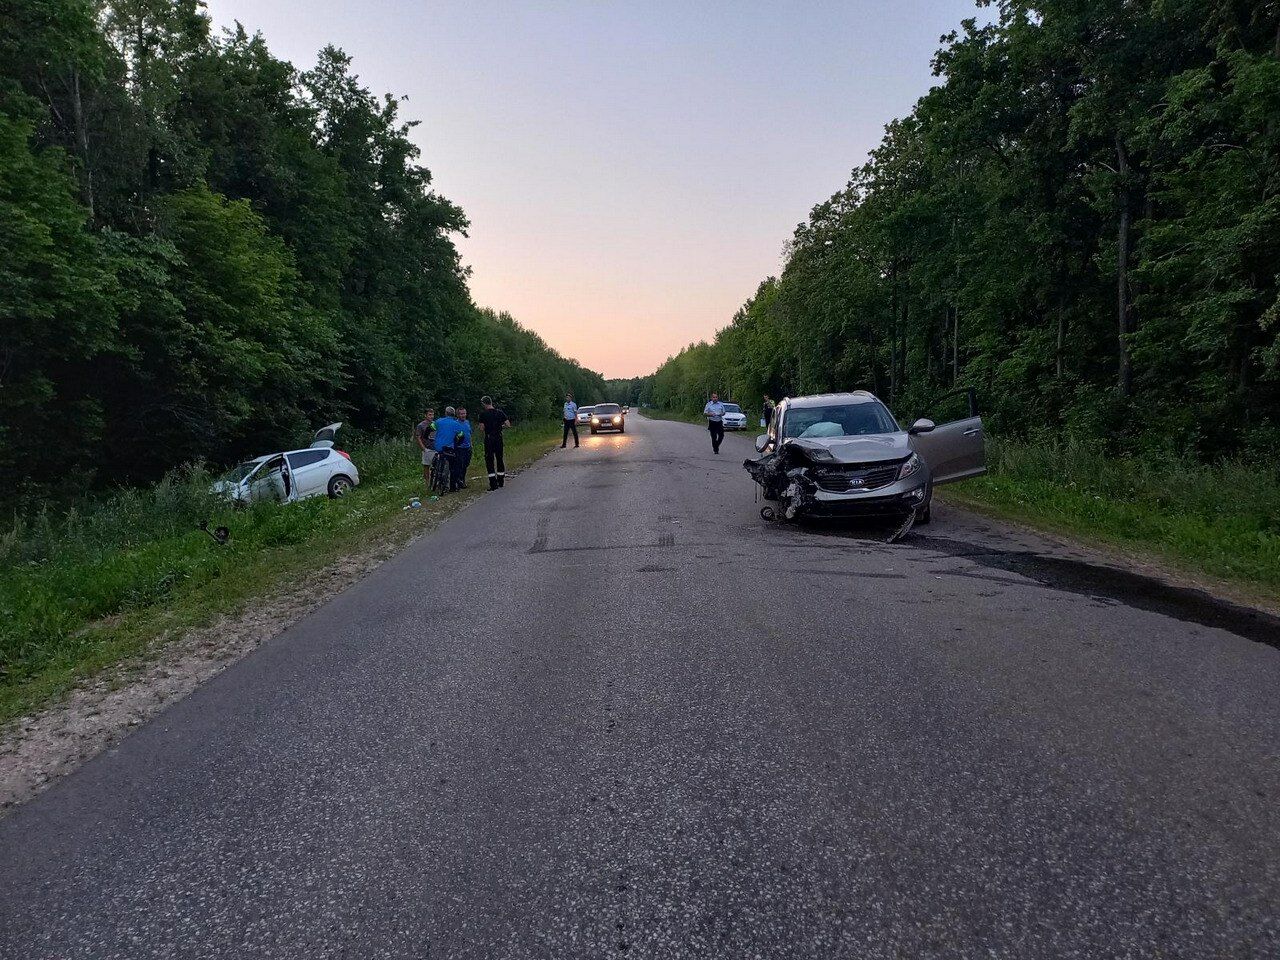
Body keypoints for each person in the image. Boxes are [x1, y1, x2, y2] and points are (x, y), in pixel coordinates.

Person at [478, 395, 512, 490]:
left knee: (489, 460)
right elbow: (508, 424)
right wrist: (500, 427)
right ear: (491, 402)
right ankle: (501, 481)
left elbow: (481, 428)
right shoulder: (499, 412)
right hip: (498, 437)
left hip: (489, 438)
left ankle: (493, 484)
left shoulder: (483, 414)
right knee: (499, 458)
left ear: (484, 403)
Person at [433, 406, 466, 492]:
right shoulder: (456, 424)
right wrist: (458, 444)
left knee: (439, 459)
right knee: (453, 466)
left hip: (438, 447)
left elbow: (430, 428)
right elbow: (461, 436)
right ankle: (452, 487)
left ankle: (436, 479)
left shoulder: (438, 421)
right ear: (454, 414)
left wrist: (426, 437)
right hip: (449, 448)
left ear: (445, 413)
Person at [416, 407, 437, 493]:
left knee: (435, 466)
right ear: (425, 415)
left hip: (435, 447)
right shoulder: (421, 425)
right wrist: (423, 448)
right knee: (426, 466)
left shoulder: (435, 424)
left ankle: (435, 482)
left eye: (432, 415)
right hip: (427, 448)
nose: (431, 416)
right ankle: (427, 484)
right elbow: (418, 437)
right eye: (429, 415)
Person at [455, 406, 473, 488]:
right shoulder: (455, 424)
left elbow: (469, 434)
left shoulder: (467, 422)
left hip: (468, 447)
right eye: (461, 414)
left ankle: (462, 478)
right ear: (458, 415)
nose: (463, 415)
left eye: (464, 413)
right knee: (460, 465)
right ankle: (460, 480)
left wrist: (471, 445)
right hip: (459, 448)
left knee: (466, 464)